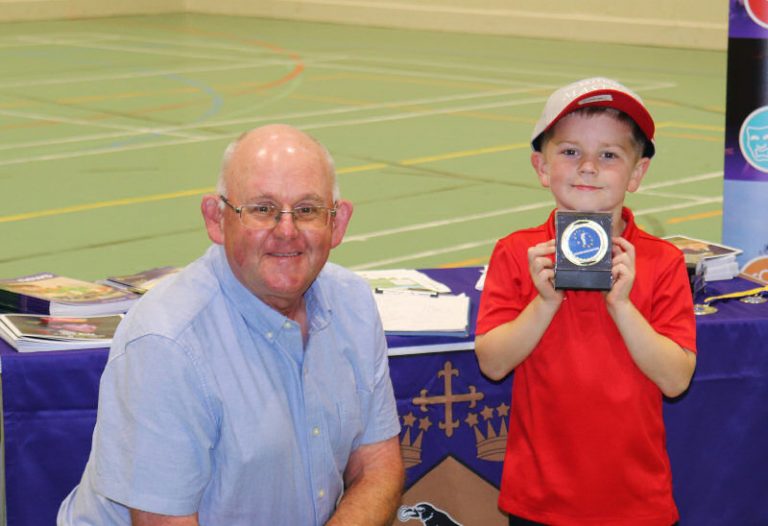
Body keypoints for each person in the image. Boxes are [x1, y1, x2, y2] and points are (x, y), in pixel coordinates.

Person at [58, 124, 405, 525]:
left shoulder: (354, 304)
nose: (287, 230)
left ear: (338, 222)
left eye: (307, 209)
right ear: (216, 219)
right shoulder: (166, 342)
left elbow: (378, 467)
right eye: (262, 209)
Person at [474, 78, 697, 525]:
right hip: (541, 501)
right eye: (571, 151)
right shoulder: (517, 253)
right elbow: (493, 363)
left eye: (610, 154)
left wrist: (623, 305)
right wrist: (544, 302)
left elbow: (675, 379)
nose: (589, 167)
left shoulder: (662, 260)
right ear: (541, 166)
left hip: (637, 503)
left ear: (637, 173)